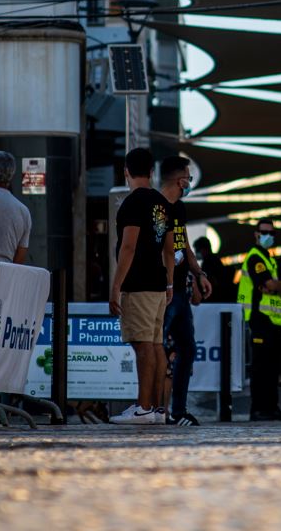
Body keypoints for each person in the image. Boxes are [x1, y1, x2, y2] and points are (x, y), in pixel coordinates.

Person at [109, 148, 174, 425]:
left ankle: (143, 407)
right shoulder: (162, 203)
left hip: (138, 284)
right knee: (156, 345)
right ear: (151, 172)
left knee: (143, 346)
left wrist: (115, 287)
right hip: (159, 284)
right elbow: (170, 249)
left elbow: (128, 246)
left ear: (126, 172)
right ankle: (157, 410)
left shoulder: (132, 203)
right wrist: (169, 282)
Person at [158, 156, 210, 426]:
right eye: (188, 178)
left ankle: (178, 410)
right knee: (158, 351)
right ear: (180, 181)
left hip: (179, 290)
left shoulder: (179, 209)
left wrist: (198, 274)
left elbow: (184, 246)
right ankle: (156, 409)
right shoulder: (158, 208)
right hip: (163, 292)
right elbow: (160, 249)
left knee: (187, 349)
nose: (189, 182)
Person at [238, 219, 281, 421]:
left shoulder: (268, 258)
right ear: (256, 234)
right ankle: (259, 409)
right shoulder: (256, 258)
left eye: (271, 232)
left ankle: (271, 407)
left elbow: (272, 286)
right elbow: (269, 286)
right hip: (260, 319)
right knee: (261, 366)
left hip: (272, 321)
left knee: (271, 367)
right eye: (264, 232)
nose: (267, 235)